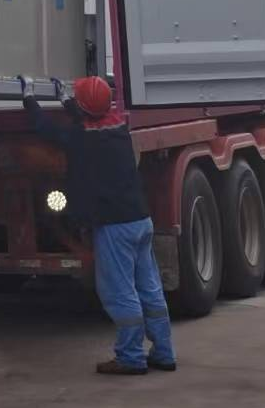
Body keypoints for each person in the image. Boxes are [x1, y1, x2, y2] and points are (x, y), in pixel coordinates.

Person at [24, 75, 174, 376]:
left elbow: (45, 128)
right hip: (140, 220)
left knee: (120, 292)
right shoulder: (118, 127)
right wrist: (67, 100)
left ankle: (131, 357)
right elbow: (89, 116)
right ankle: (164, 352)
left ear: (83, 108)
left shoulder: (80, 138)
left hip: (115, 227)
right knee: (150, 289)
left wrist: (29, 98)